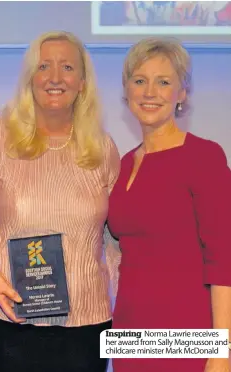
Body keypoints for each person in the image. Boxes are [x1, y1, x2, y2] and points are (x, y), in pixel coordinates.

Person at [0, 31, 120, 372]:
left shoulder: (102, 148)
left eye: (67, 67)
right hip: (8, 322)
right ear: (29, 79)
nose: (54, 77)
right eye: (43, 66)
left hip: (89, 325)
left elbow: (112, 236)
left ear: (82, 83)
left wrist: (128, 304)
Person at [107, 37, 231, 372]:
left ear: (182, 93)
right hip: (130, 333)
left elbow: (224, 260)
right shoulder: (123, 164)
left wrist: (222, 351)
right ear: (127, 90)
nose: (150, 92)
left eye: (164, 82)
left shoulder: (204, 157)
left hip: (188, 334)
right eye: (140, 81)